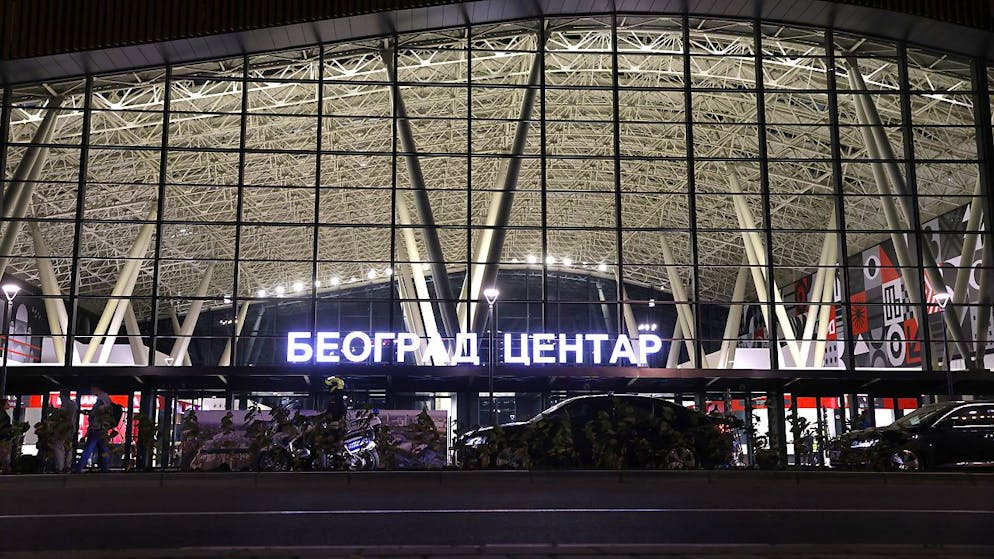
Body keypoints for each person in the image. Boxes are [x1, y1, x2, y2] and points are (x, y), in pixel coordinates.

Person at [73, 387, 115, 473]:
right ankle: (105, 468)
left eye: (93, 389)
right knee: (104, 449)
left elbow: (99, 411)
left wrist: (90, 413)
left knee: (88, 448)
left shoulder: (103, 398)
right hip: (101, 429)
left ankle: (78, 468)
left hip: (97, 428)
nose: (92, 391)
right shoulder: (104, 398)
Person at [49, 391, 78, 473]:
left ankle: (59, 467)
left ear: (64, 396)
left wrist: (54, 413)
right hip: (71, 429)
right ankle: (67, 466)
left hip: (63, 429)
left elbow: (62, 414)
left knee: (58, 446)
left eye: (60, 396)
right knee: (68, 447)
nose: (60, 398)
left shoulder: (66, 404)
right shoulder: (74, 404)